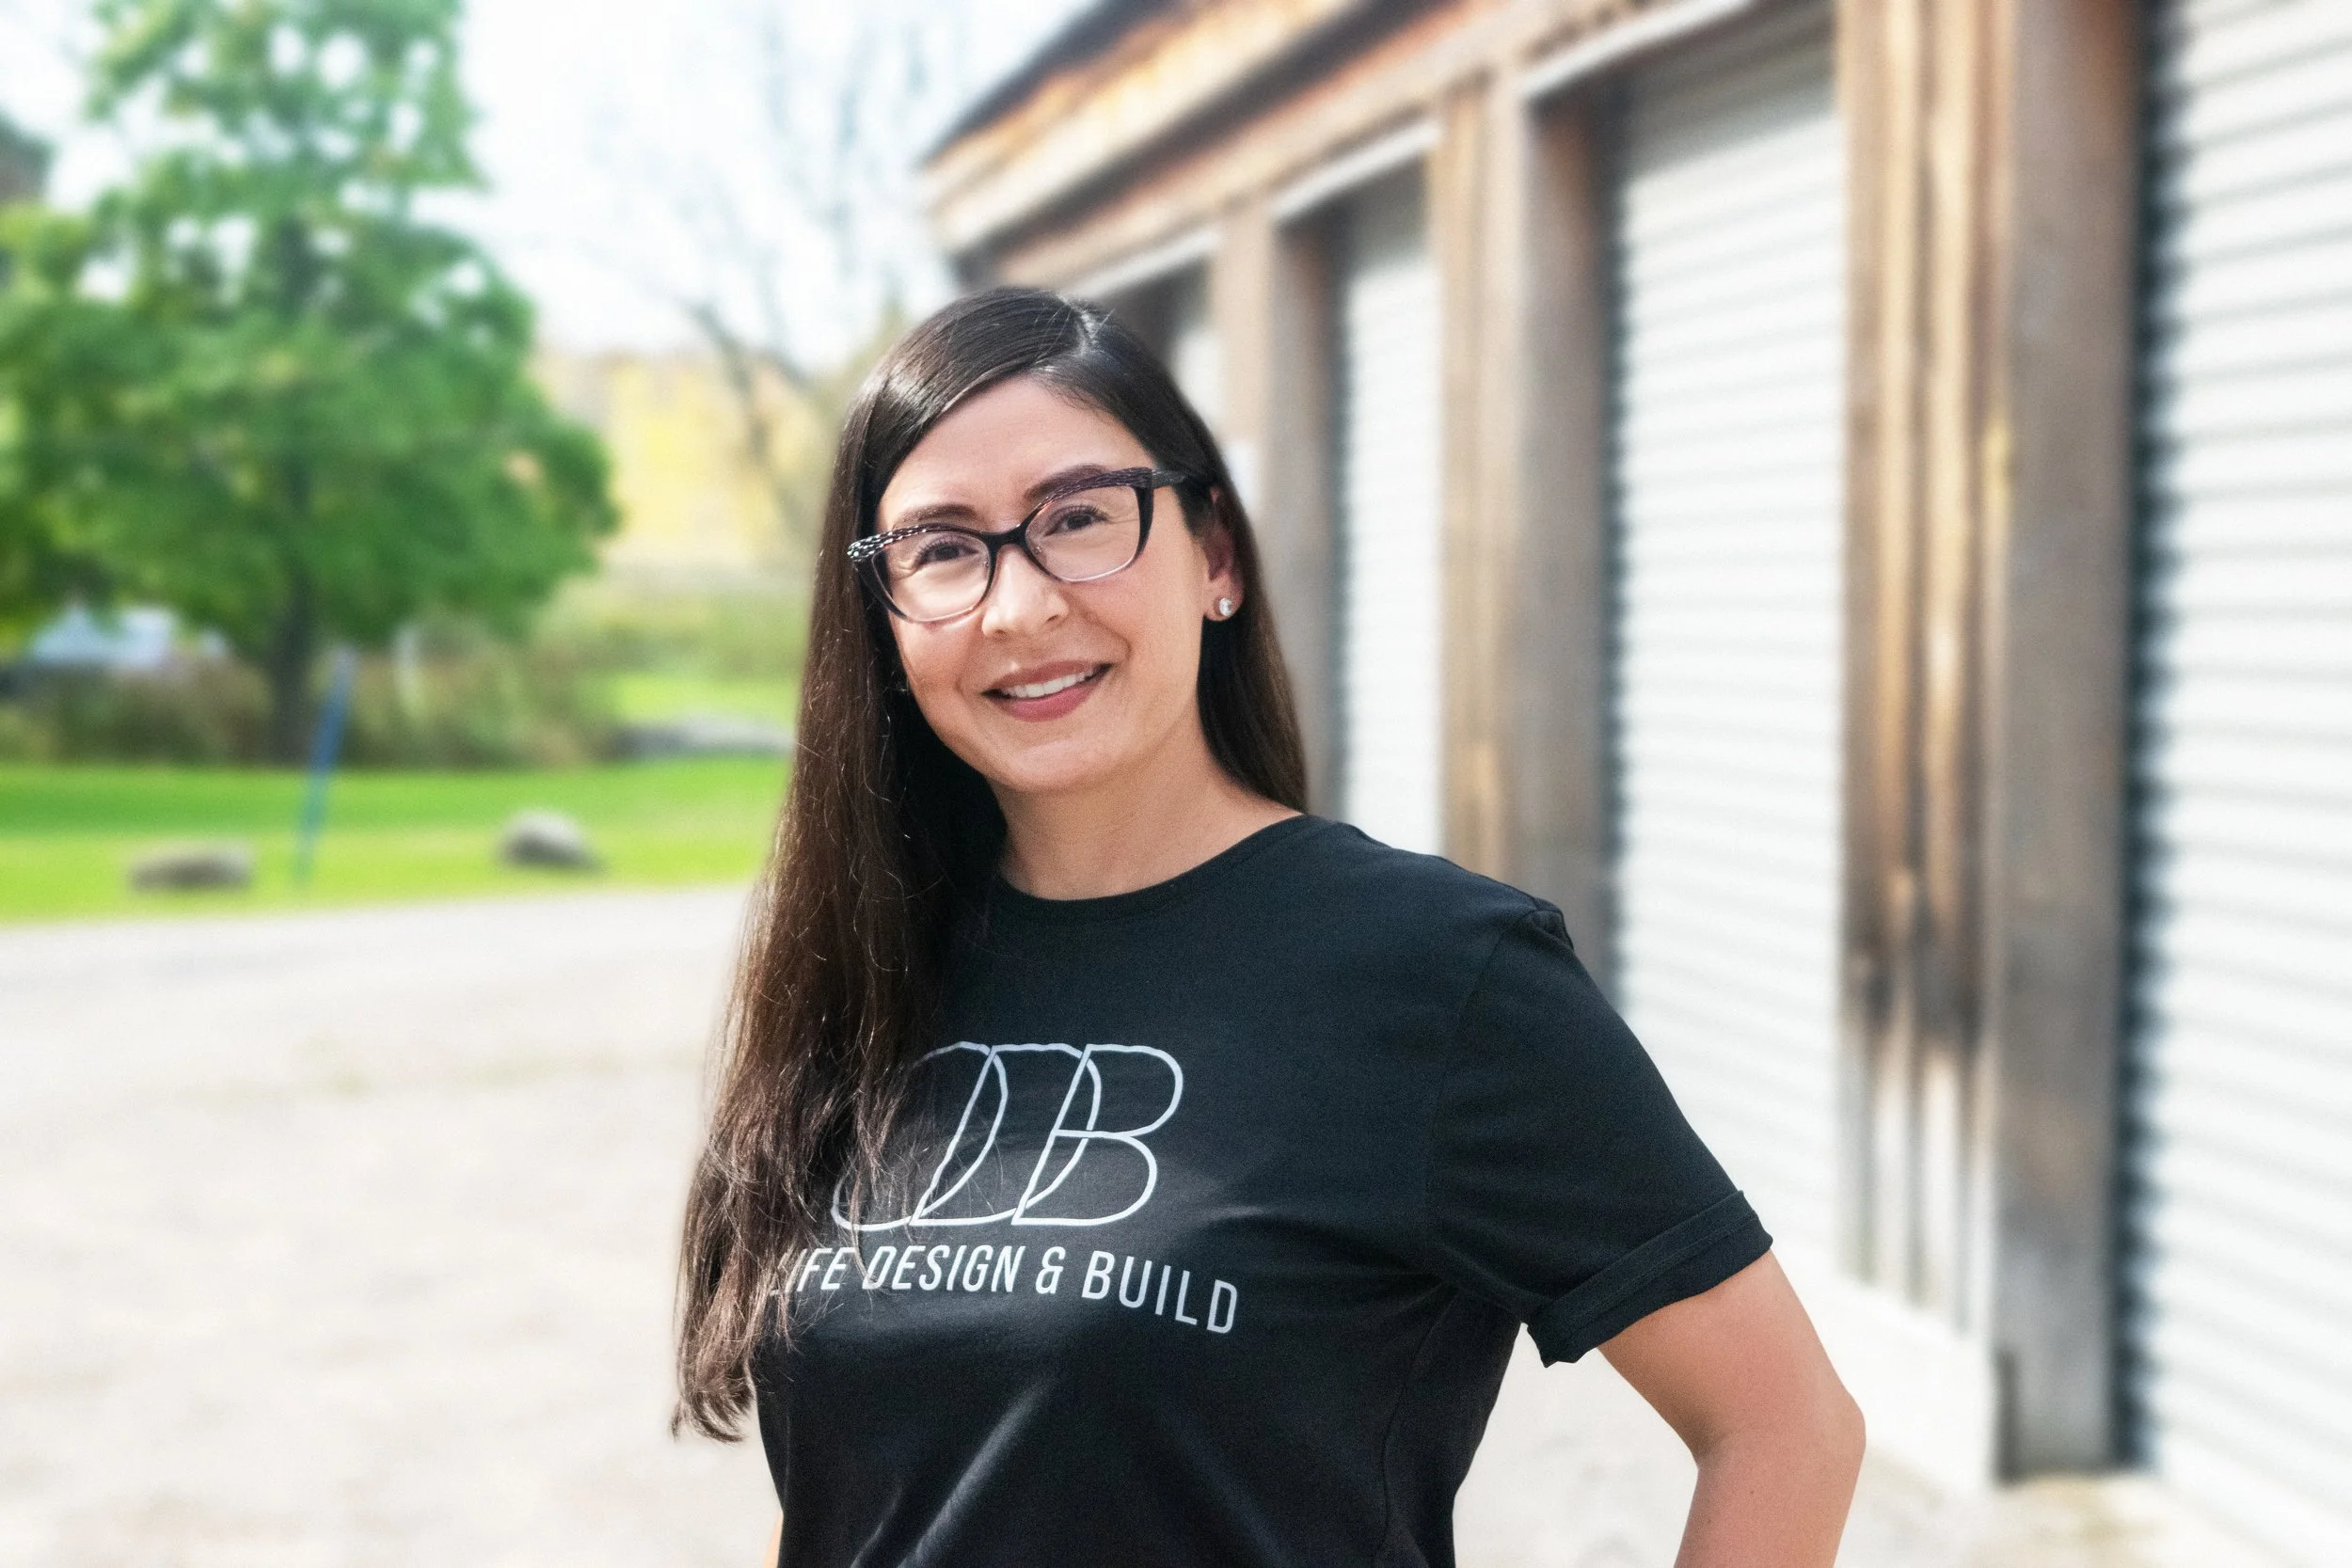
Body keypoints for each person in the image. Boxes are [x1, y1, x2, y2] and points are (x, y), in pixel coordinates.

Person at [675, 286, 1865, 1567]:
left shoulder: (1437, 973)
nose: (1016, 606)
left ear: (1217, 558)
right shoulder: (866, 970)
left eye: (1079, 518)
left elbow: (1785, 1424)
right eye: (943, 548)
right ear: (884, 617)